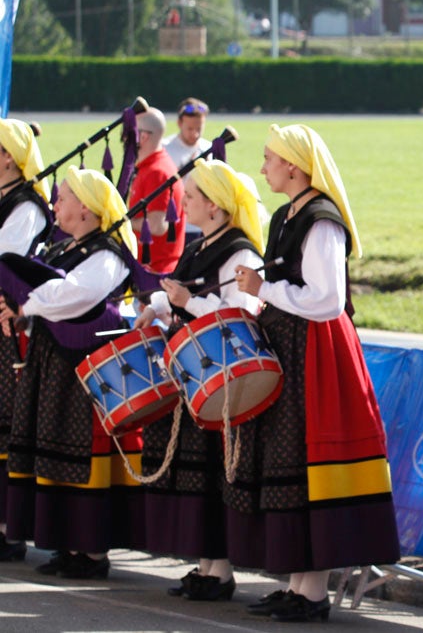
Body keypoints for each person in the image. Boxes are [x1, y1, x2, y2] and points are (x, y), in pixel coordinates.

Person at [230, 124, 400, 622]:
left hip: (318, 350)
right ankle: (299, 583)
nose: (263, 168)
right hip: (290, 342)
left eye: (269, 159)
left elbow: (326, 300)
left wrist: (264, 289)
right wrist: (264, 292)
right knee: (289, 457)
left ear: (294, 167)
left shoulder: (322, 221)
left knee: (310, 456)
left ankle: (313, 591)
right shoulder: (287, 214)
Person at [134, 158, 264, 601]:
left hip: (220, 376)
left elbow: (242, 313)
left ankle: (220, 569)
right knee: (199, 471)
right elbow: (182, 291)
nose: (183, 203)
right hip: (195, 373)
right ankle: (208, 565)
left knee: (214, 471)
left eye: (190, 197)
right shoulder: (202, 244)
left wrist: (187, 302)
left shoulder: (241, 251)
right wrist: (160, 305)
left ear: (215, 205)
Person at [1, 167, 141, 579]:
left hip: (86, 371)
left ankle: (92, 551)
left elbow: (74, 296)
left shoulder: (108, 253)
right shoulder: (65, 250)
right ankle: (67, 542)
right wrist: (21, 312)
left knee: (83, 453)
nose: (56, 204)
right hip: (56, 363)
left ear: (85, 208)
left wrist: (27, 305)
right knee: (55, 450)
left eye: (63, 198)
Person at [0, 119, 52, 562]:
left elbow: (6, 256)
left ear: (9, 158)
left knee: (5, 419)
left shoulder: (28, 206)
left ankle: (7, 529)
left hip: (9, 320)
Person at [129, 107, 185, 273]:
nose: (125, 138)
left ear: (143, 137)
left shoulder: (157, 173)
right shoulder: (149, 166)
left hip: (153, 272)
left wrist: (121, 223)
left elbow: (157, 225)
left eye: (129, 132)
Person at [163, 98, 213, 246]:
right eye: (190, 129)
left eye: (199, 129)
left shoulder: (209, 148)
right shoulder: (165, 148)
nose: (195, 134)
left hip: (205, 225)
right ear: (179, 123)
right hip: (175, 225)